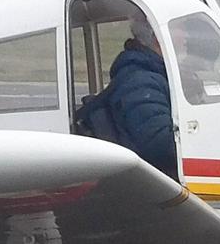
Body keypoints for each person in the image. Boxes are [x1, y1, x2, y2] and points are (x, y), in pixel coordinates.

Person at [74, 14, 177, 177]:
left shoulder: (155, 74)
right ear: (158, 38)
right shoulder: (140, 80)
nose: (185, 38)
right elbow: (161, 146)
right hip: (148, 185)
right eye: (177, 30)